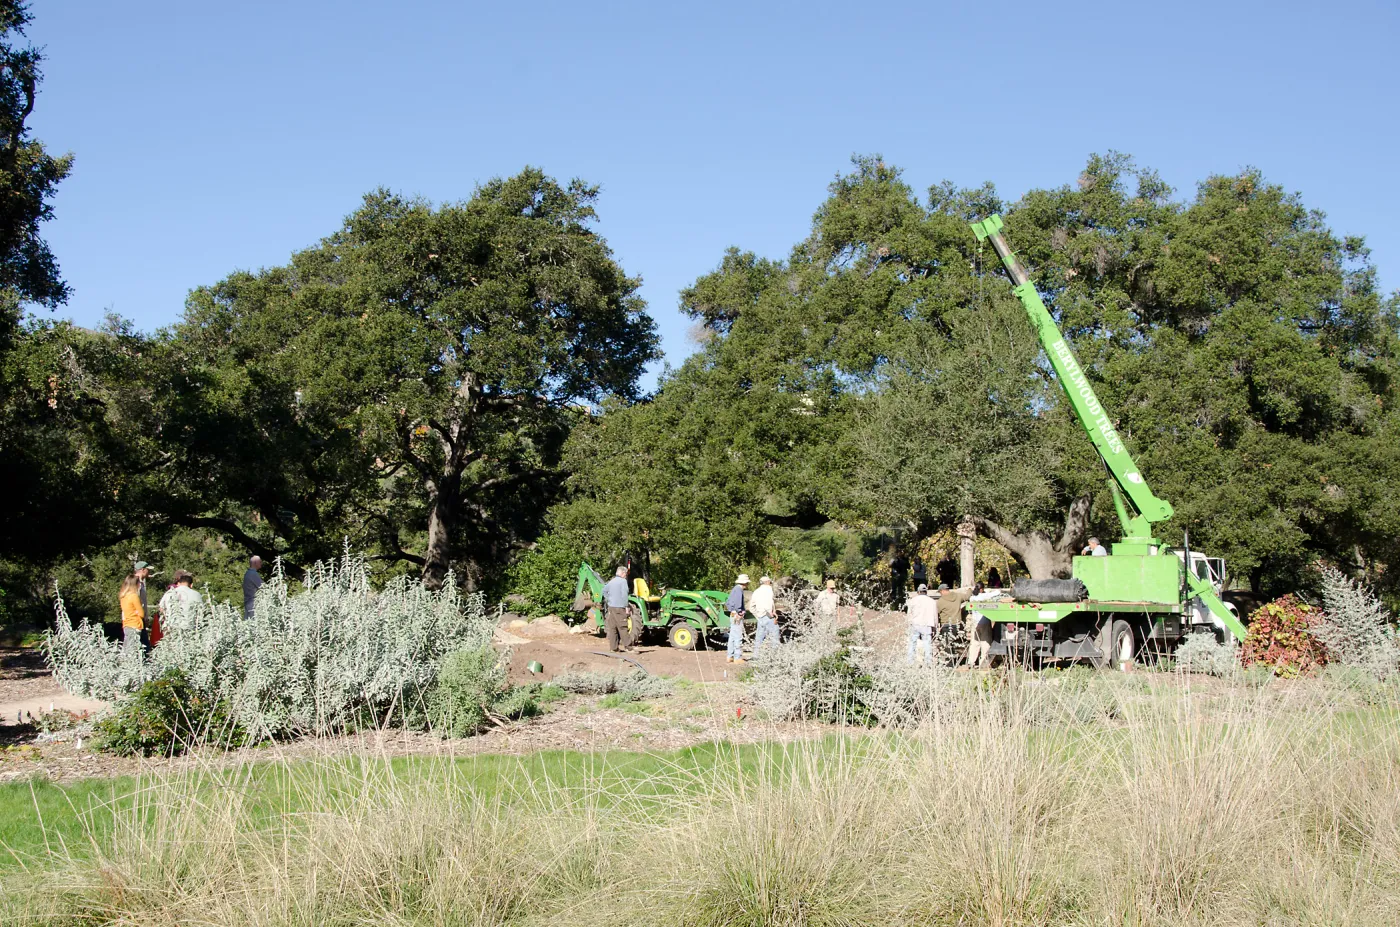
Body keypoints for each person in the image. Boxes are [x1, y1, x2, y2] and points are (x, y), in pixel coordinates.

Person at [906, 583, 938, 666]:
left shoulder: (913, 600)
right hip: (927, 624)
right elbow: (935, 615)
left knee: (912, 643)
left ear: (918, 592)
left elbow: (909, 613)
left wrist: (908, 623)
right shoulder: (932, 601)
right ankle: (928, 662)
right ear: (926, 592)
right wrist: (935, 626)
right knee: (927, 643)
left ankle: (910, 661)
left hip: (915, 623)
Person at [603, 565, 632, 653]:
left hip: (611, 608)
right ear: (623, 573)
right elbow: (624, 594)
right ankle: (629, 647)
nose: (626, 575)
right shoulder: (623, 581)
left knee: (613, 628)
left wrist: (609, 600)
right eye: (626, 574)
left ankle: (614, 648)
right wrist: (626, 606)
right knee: (623, 627)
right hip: (620, 607)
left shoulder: (611, 581)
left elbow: (604, 591)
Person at [750, 576, 780, 655]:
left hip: (760, 617)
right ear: (767, 582)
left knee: (759, 638)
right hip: (769, 616)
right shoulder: (770, 590)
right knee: (775, 636)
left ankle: (756, 656)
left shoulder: (756, 591)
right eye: (770, 582)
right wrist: (772, 612)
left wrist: (758, 616)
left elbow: (751, 607)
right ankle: (775, 656)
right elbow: (771, 602)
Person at [725, 574, 750, 663]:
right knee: (738, 636)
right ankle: (737, 657)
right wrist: (739, 613)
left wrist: (733, 611)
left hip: (732, 614)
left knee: (732, 637)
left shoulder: (734, 589)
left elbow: (727, 603)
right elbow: (738, 604)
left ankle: (730, 656)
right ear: (745, 583)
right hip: (737, 615)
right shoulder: (739, 590)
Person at [119, 574, 145, 653]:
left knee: (126, 647)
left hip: (126, 623)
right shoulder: (134, 596)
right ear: (135, 584)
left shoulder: (123, 596)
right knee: (133, 649)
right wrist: (137, 611)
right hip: (135, 624)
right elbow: (141, 614)